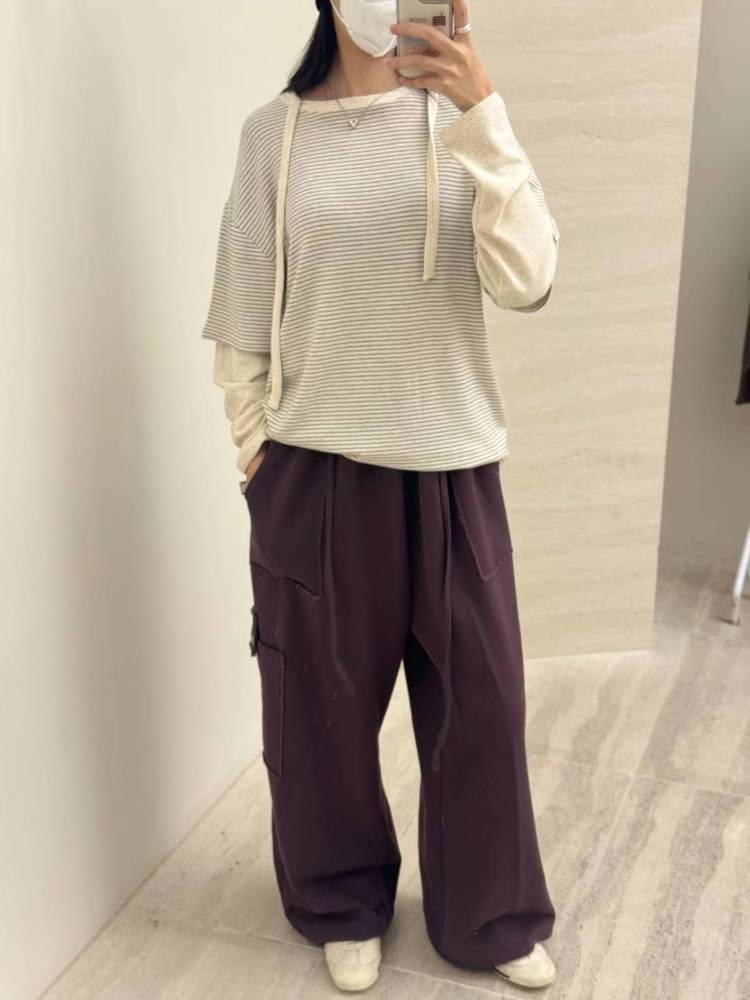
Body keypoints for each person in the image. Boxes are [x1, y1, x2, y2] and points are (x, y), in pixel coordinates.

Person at [201, 0, 560, 991]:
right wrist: (257, 460)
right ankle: (340, 899)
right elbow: (241, 313)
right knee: (316, 713)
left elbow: (530, 279)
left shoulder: (464, 120)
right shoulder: (273, 137)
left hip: (454, 468)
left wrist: (484, 112)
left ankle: (489, 913)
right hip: (315, 473)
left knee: (483, 709)